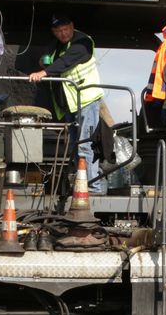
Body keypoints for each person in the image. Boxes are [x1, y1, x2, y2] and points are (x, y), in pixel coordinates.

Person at [28, 14, 107, 194]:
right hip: (71, 105)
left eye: (66, 30)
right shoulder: (59, 46)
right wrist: (44, 60)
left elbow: (66, 62)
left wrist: (44, 72)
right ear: (54, 32)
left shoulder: (83, 43)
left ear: (72, 26)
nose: (63, 34)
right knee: (75, 146)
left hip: (87, 100)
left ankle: (92, 187)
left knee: (85, 144)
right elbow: (52, 56)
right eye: (59, 31)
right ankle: (80, 183)